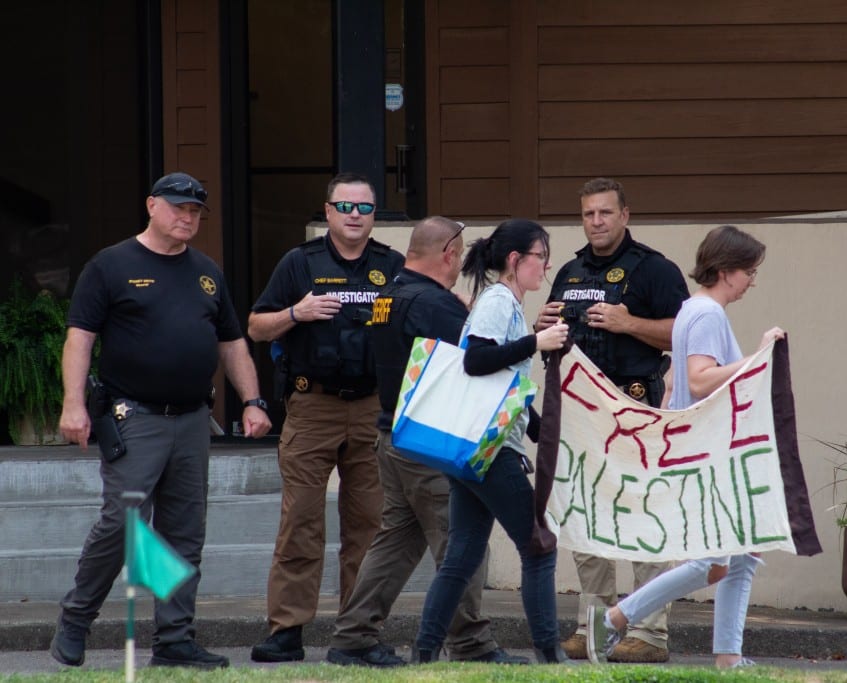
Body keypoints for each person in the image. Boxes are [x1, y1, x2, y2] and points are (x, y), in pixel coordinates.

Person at [50, 172, 272, 669]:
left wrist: (253, 400)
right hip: (134, 417)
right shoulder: (111, 265)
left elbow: (232, 343)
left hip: (193, 419)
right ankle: (76, 620)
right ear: (152, 205)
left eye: (195, 212)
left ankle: (174, 640)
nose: (187, 218)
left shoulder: (207, 272)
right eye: (177, 208)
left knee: (184, 532)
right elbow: (79, 338)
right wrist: (72, 403)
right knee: (123, 523)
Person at [325, 216, 527, 667]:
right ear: (449, 255)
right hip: (434, 442)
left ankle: (354, 637)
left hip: (392, 434)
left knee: (396, 541)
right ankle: (471, 644)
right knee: (462, 540)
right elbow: (477, 367)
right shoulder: (436, 305)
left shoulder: (388, 296)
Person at [586, 224, 786, 669]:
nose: (752, 280)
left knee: (742, 555)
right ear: (727, 270)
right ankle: (615, 618)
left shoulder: (692, 311)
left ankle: (729, 659)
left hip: (701, 450)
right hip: (710, 455)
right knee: (710, 562)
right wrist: (759, 357)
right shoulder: (707, 315)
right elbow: (698, 380)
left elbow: (676, 380)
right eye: (750, 272)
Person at [249, 172, 405, 662]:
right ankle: (287, 631)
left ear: (374, 214)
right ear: (328, 211)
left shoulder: (392, 266)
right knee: (301, 521)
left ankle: (357, 636)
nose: (355, 215)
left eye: (364, 207)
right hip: (312, 406)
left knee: (369, 525)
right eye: (345, 206)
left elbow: (415, 324)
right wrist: (296, 313)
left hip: (372, 409)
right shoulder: (299, 263)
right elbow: (256, 326)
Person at [534, 177, 689, 663]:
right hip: (580, 408)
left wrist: (628, 324)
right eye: (587, 214)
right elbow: (557, 333)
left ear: (625, 215)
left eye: (604, 213)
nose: (596, 222)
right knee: (584, 517)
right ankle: (594, 625)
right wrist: (544, 328)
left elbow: (682, 335)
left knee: (642, 513)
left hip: (635, 402)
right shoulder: (570, 271)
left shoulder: (654, 270)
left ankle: (648, 632)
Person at [414, 219, 570, 665]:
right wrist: (535, 342)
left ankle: (424, 654)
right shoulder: (499, 302)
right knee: (539, 545)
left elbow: (503, 387)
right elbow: (477, 361)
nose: (547, 265)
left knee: (461, 556)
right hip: (491, 449)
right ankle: (550, 655)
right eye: (541, 256)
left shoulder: (507, 304)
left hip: (474, 449)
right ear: (515, 260)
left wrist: (541, 430)